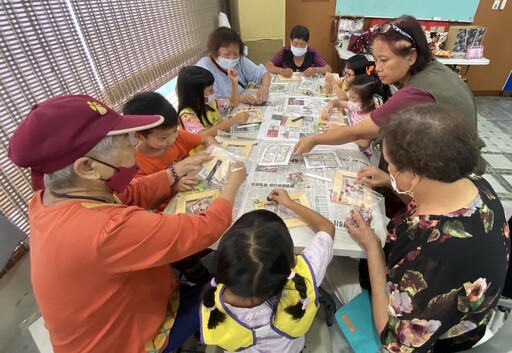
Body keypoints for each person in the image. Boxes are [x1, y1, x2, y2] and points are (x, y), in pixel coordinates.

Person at [8, 95, 247, 353]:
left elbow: (128, 194)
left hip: (113, 315)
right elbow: (205, 229)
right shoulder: (106, 230)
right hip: (124, 342)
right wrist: (234, 180)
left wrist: (176, 171)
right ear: (87, 167)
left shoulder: (50, 196)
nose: (134, 146)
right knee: (233, 290)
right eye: (125, 141)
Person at [347, 105, 510, 352]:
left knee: (337, 274)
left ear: (414, 175)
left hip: (440, 335)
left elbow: (393, 341)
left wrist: (372, 249)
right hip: (445, 294)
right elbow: (424, 203)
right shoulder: (474, 183)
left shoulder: (431, 256)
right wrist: (391, 183)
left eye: (391, 165)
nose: (388, 169)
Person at [294, 15, 480, 157]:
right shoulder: (433, 68)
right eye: (375, 60)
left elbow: (358, 131)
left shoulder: (417, 92)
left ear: (411, 56)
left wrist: (315, 139)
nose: (378, 68)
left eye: (384, 60)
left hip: (449, 173)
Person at [200, 188, 335, 352]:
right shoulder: (306, 275)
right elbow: (327, 228)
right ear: (292, 260)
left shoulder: (212, 303)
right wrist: (289, 203)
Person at [321, 70, 391, 156]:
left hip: (358, 153)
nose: (350, 101)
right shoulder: (358, 107)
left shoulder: (371, 118)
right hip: (348, 142)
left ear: (369, 102)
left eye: (354, 99)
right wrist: (329, 107)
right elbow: (337, 102)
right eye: (350, 97)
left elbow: (364, 143)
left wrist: (339, 129)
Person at [196, 26, 271, 105]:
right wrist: (238, 99)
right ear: (215, 53)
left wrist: (264, 86)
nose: (232, 58)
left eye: (236, 54)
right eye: (226, 54)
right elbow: (208, 101)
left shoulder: (240, 60)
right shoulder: (203, 68)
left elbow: (263, 73)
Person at [177, 66, 250, 137]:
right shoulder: (187, 116)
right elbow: (203, 136)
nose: (213, 92)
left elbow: (233, 103)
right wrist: (233, 120)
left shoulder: (211, 103)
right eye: (210, 90)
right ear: (196, 95)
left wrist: (234, 82)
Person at [265, 25, 332, 78]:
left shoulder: (313, 53)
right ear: (290, 41)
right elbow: (268, 66)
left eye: (302, 45)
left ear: (307, 43)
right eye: (295, 44)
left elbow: (328, 69)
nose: (298, 47)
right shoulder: (284, 51)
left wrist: (315, 70)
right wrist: (281, 71)